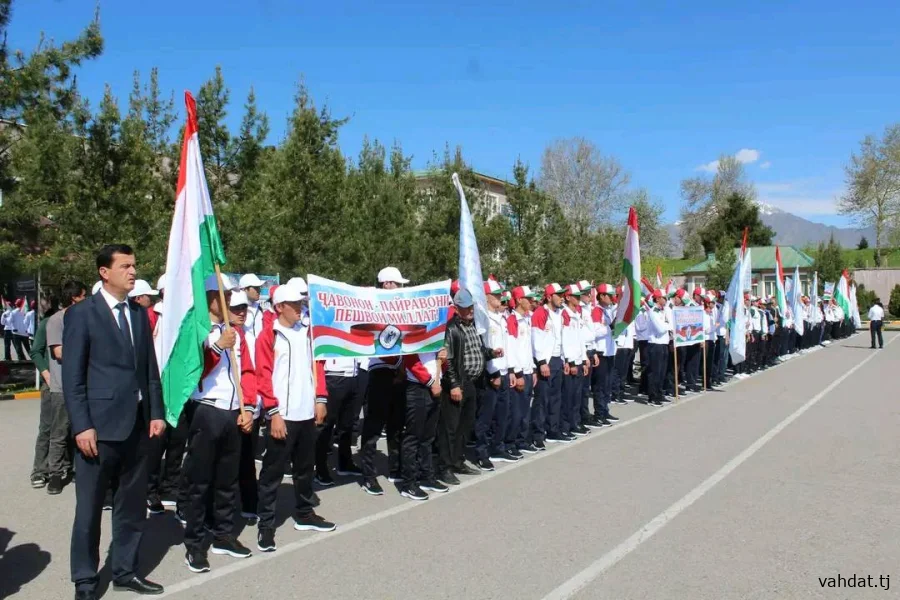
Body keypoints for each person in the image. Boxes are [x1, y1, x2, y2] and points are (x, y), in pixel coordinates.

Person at [63, 244, 166, 599]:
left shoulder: (138, 313)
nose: (133, 271)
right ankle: (85, 580)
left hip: (137, 426)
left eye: (134, 265)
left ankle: (125, 571)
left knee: (132, 507)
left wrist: (155, 412)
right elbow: (73, 377)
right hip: (98, 429)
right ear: (104, 272)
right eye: (125, 266)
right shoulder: (83, 314)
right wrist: (82, 425)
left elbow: (149, 370)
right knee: (89, 510)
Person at [181, 274, 257, 573]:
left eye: (228, 294)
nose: (228, 299)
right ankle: (194, 544)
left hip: (232, 410)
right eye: (222, 294)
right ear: (209, 297)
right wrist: (215, 348)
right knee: (200, 483)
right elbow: (189, 371)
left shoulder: (234, 331)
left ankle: (224, 535)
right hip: (206, 409)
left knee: (227, 480)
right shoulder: (196, 329)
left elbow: (246, 371)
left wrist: (248, 407)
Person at [255, 283, 335, 553]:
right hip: (282, 416)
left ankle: (304, 513)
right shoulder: (269, 335)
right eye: (294, 304)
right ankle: (266, 524)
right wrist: (273, 413)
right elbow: (263, 376)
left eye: (300, 303)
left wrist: (321, 398)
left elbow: (318, 367)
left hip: (307, 413)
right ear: (279, 307)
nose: (300, 308)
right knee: (272, 472)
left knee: (305, 468)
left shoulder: (309, 333)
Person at [437, 289, 498, 485]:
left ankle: (457, 460)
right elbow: (448, 361)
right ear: (456, 309)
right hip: (457, 384)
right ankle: (444, 467)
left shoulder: (473, 326)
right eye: (465, 307)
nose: (470, 310)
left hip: (471, 383)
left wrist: (491, 353)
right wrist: (454, 384)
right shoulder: (451, 329)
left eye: (471, 306)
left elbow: (476, 351)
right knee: (450, 427)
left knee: (465, 425)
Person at [359, 267, 409, 494]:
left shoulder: (401, 308)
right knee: (374, 426)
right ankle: (368, 475)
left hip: (399, 370)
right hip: (379, 370)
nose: (399, 288)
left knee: (396, 424)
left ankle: (396, 467)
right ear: (386, 284)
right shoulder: (372, 305)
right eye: (396, 284)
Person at [532, 284, 567, 443]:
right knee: (542, 399)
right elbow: (536, 339)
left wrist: (564, 359)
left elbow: (562, 339)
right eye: (558, 295)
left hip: (557, 359)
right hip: (546, 361)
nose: (562, 298)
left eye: (562, 295)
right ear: (549, 297)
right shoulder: (540, 313)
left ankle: (553, 429)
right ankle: (538, 434)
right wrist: (541, 362)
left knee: (556, 397)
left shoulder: (559, 314)